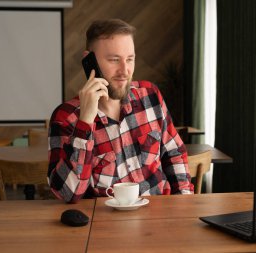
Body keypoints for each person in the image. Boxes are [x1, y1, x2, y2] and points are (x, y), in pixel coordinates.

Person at [47, 19, 193, 203]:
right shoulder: (66, 118)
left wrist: (184, 203)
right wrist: (85, 121)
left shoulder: (150, 95)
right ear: (89, 61)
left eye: (130, 59)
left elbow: (175, 153)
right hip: (104, 226)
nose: (125, 70)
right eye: (114, 60)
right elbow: (68, 195)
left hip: (158, 218)